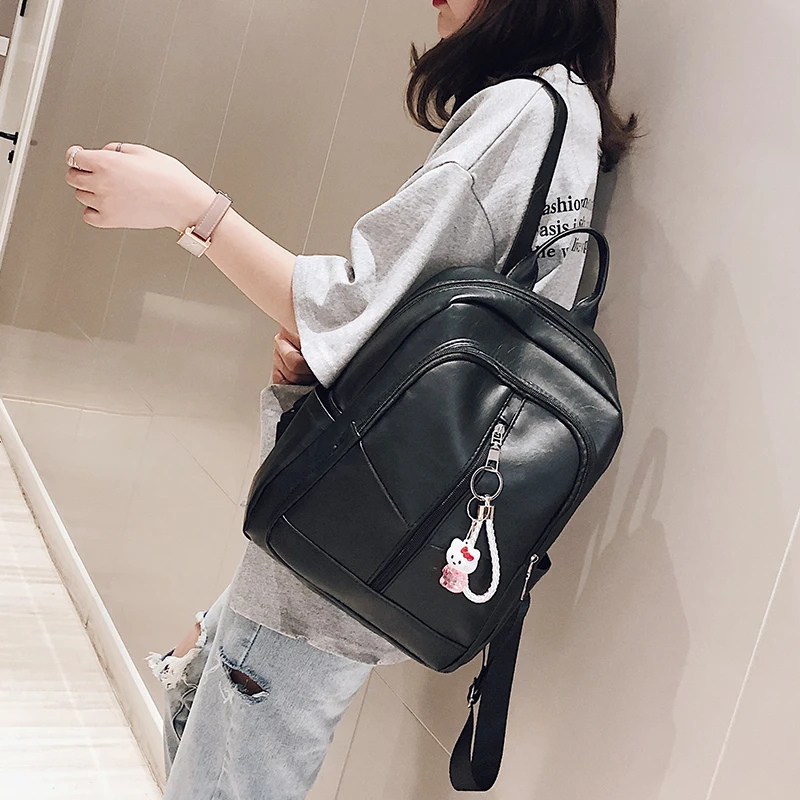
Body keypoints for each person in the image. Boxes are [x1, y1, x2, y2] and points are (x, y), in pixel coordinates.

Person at [64, 0, 636, 797]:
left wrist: (191, 209)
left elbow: (347, 307)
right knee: (201, 684)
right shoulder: (569, 113)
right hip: (391, 539)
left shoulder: (518, 112)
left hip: (334, 559)